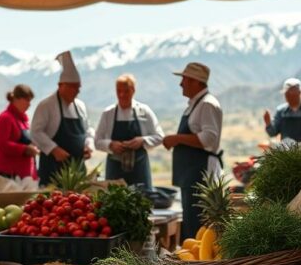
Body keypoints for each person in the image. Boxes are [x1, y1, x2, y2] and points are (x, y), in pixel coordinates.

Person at [162, 63, 223, 240]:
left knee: (198, 226)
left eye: (185, 79)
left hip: (199, 174)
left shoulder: (207, 105)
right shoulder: (197, 104)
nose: (181, 84)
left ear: (196, 82)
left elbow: (210, 140)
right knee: (190, 223)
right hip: (190, 175)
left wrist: (177, 138)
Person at [32, 51, 95, 183]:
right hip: (53, 169)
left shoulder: (80, 106)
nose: (77, 91)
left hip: (78, 170)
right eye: (73, 87)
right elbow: (36, 132)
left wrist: (88, 145)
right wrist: (54, 149)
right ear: (61, 85)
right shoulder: (46, 105)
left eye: (78, 87)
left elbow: (88, 130)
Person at [95, 74, 164, 189]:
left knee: (142, 200)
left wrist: (142, 141)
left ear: (133, 90)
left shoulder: (144, 111)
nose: (122, 95)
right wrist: (111, 144)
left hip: (139, 168)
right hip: (114, 168)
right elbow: (97, 141)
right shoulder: (108, 113)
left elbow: (160, 136)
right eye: (119, 91)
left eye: (126, 91)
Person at [264, 78, 301, 149]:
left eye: (292, 94)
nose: (289, 97)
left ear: (299, 93)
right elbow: (272, 133)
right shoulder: (281, 111)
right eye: (287, 94)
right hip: (286, 153)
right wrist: (268, 123)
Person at [0, 84, 39, 179]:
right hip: (8, 174)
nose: (29, 104)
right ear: (17, 99)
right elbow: (1, 144)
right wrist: (24, 149)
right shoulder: (5, 118)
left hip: (24, 175)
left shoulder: (23, 121)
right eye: (27, 100)